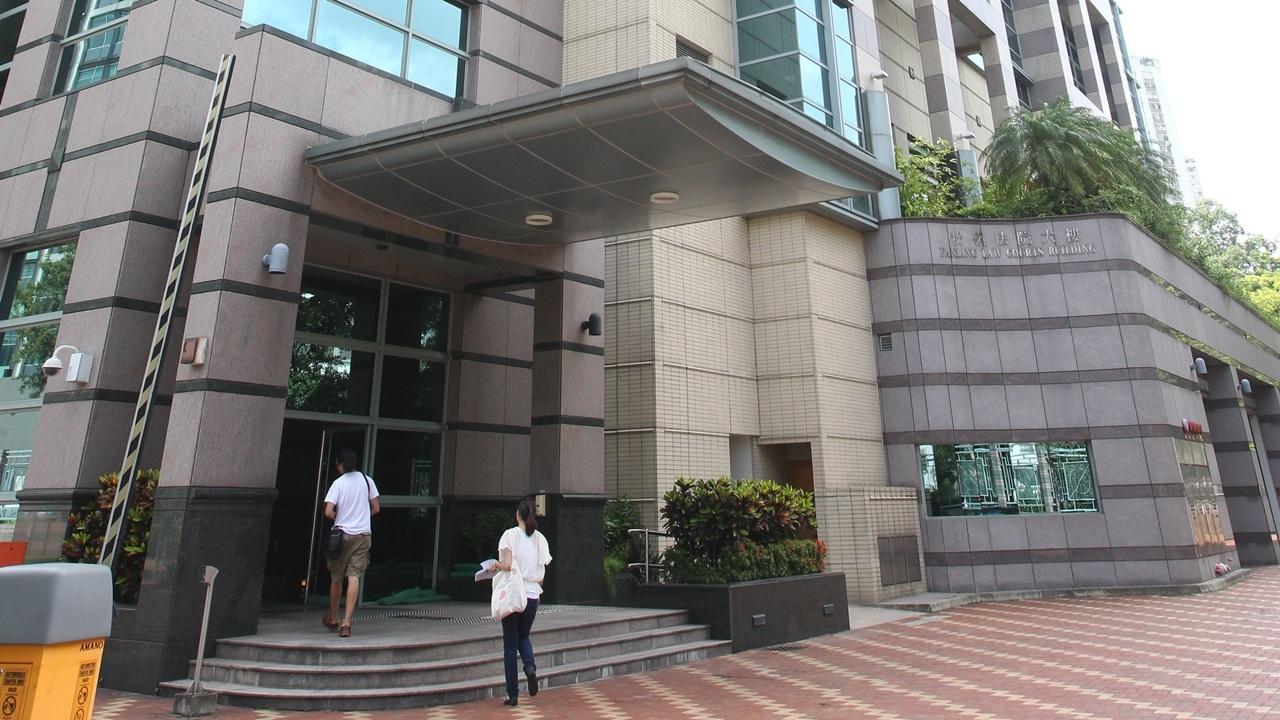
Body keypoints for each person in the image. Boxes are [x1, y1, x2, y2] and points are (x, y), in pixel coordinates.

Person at [493, 496, 552, 707]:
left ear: (517, 514)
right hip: (533, 595)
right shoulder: (540, 539)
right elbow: (542, 574)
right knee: (524, 636)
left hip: (513, 595)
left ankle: (513, 694)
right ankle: (530, 667)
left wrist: (495, 565)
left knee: (510, 645)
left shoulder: (510, 535)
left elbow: (508, 564)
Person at [322, 447, 379, 638]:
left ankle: (334, 617)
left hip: (342, 535)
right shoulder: (367, 480)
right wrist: (361, 516)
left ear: (340, 464)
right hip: (363, 535)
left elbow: (328, 511)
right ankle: (346, 623)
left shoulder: (338, 484)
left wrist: (341, 516)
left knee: (336, 577)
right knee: (354, 576)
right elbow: (376, 508)